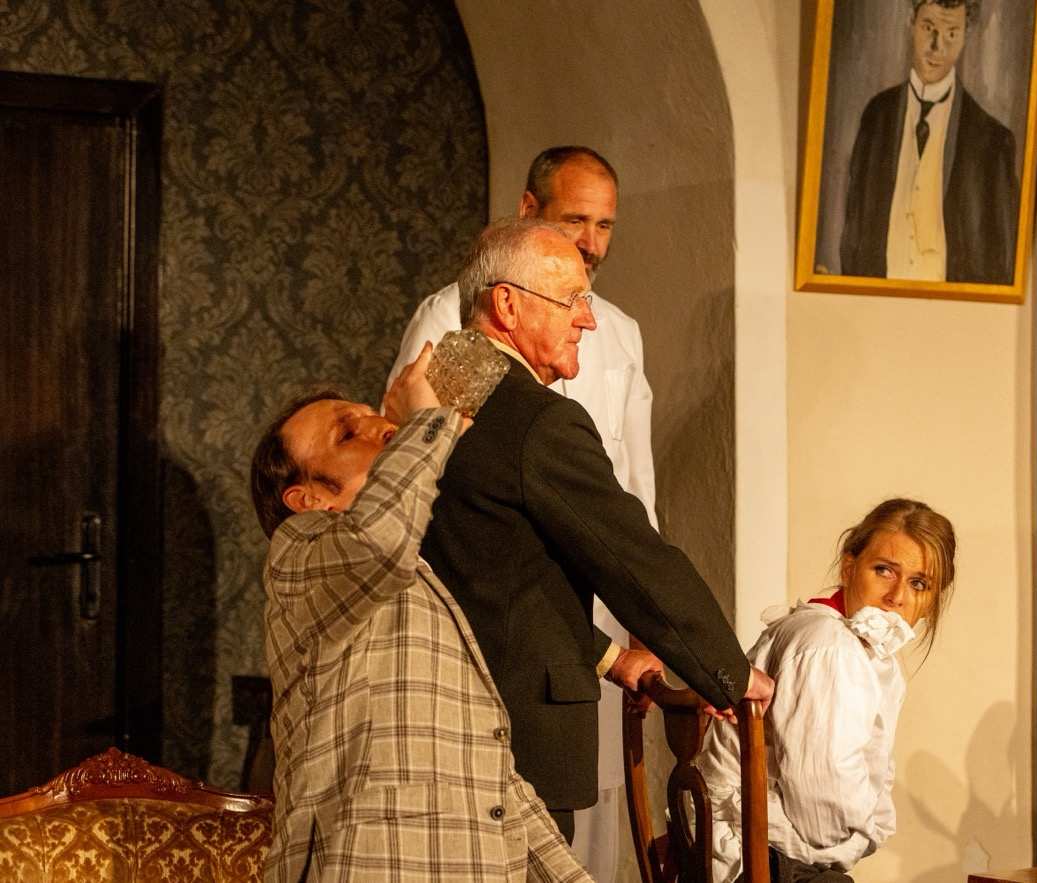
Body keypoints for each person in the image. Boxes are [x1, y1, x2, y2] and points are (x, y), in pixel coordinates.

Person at [423, 217, 774, 846]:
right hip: (514, 748)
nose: (587, 320)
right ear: (507, 305)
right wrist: (727, 669)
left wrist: (611, 658)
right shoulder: (537, 421)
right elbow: (632, 558)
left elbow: (488, 579)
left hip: (439, 726)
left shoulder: (436, 392)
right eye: (571, 300)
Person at [383, 145, 653, 879]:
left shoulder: (618, 330)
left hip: (590, 623)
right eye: (575, 220)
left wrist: (638, 628)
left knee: (587, 816)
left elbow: (634, 484)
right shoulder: (451, 315)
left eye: (604, 225)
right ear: (528, 210)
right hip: (498, 618)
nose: (591, 242)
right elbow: (414, 461)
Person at [251, 346, 589, 882]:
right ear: (308, 498)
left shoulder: (421, 580)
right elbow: (379, 541)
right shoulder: (300, 550)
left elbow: (492, 772)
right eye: (347, 434)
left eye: (372, 414)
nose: (379, 426)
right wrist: (429, 422)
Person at [696, 499, 957, 883]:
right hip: (754, 862)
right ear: (849, 567)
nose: (897, 596)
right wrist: (865, 835)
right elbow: (821, 813)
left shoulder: (856, 650)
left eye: (919, 583)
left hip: (771, 854)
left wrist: (867, 827)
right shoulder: (830, 646)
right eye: (884, 570)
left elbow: (875, 775)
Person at [839, 0, 1018, 284]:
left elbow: (1002, 262)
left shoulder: (993, 142)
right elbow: (854, 230)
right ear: (911, 21)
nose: (937, 47)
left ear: (966, 34)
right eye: (928, 28)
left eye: (951, 33)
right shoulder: (876, 116)